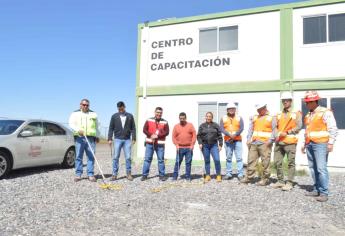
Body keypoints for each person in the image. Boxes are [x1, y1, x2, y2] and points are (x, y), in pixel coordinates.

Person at [302, 91, 338, 202]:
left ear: (314, 102)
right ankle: (316, 189)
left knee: (321, 168)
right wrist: (305, 144)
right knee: (313, 168)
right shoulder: (308, 115)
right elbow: (308, 130)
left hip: (321, 144)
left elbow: (333, 128)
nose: (306, 104)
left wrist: (331, 143)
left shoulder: (325, 112)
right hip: (310, 144)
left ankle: (323, 192)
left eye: (307, 102)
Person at [272, 92, 302, 191]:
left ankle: (289, 182)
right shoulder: (278, 114)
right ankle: (280, 181)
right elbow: (275, 126)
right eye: (283, 100)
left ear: (291, 101)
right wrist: (276, 134)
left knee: (290, 163)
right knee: (277, 162)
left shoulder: (296, 113)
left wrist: (288, 132)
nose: (285, 102)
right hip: (279, 142)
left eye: (287, 100)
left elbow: (299, 126)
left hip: (290, 142)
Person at [241, 103, 276, 186]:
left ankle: (265, 179)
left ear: (265, 108)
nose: (258, 111)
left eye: (260, 109)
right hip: (254, 142)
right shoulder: (255, 117)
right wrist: (248, 139)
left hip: (265, 143)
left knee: (265, 162)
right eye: (257, 109)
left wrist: (271, 140)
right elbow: (251, 129)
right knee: (251, 160)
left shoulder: (271, 118)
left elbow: (275, 130)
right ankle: (249, 177)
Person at [69, 99, 99, 182]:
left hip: (91, 138)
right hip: (80, 137)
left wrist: (97, 135)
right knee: (79, 156)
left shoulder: (93, 114)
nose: (85, 106)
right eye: (84, 104)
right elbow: (71, 124)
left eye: (87, 105)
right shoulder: (75, 113)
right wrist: (78, 130)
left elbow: (97, 126)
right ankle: (78, 174)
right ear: (80, 105)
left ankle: (90, 174)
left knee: (91, 156)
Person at [108, 101, 136, 181]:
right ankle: (114, 174)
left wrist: (134, 138)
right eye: (119, 109)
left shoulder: (130, 116)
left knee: (128, 158)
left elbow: (133, 128)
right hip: (117, 139)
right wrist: (110, 138)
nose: (120, 110)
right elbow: (111, 128)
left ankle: (128, 174)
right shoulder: (114, 116)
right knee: (116, 157)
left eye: (122, 108)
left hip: (127, 140)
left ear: (124, 107)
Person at [141, 107, 169, 181]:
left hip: (160, 144)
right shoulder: (149, 120)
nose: (159, 114)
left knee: (161, 160)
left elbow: (167, 132)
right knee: (147, 159)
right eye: (157, 112)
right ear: (155, 112)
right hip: (149, 143)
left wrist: (157, 136)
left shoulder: (165, 122)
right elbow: (144, 130)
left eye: (160, 112)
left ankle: (162, 175)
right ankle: (144, 175)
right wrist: (151, 135)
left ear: (162, 113)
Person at [220, 102, 244, 180]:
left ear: (235, 109)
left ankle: (240, 174)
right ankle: (228, 174)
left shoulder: (239, 117)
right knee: (228, 158)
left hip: (238, 141)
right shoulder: (223, 118)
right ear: (227, 110)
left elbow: (241, 128)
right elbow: (221, 129)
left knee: (239, 158)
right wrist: (229, 135)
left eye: (233, 108)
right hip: (228, 141)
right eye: (229, 109)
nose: (231, 110)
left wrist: (235, 135)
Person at [197, 112, 223, 182]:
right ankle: (208, 175)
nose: (208, 118)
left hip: (214, 145)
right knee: (207, 161)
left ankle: (218, 175)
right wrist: (200, 143)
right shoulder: (202, 126)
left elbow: (220, 136)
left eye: (210, 116)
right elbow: (199, 136)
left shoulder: (216, 125)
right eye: (207, 116)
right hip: (205, 146)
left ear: (212, 117)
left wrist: (220, 144)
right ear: (205, 117)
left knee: (217, 160)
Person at [172, 112, 197, 181]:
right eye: (180, 118)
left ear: (185, 118)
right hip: (179, 148)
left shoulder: (190, 125)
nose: (182, 120)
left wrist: (192, 144)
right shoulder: (176, 126)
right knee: (177, 162)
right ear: (179, 118)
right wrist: (176, 144)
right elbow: (173, 137)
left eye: (183, 118)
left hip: (189, 148)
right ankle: (175, 176)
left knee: (188, 163)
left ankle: (188, 176)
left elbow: (194, 135)